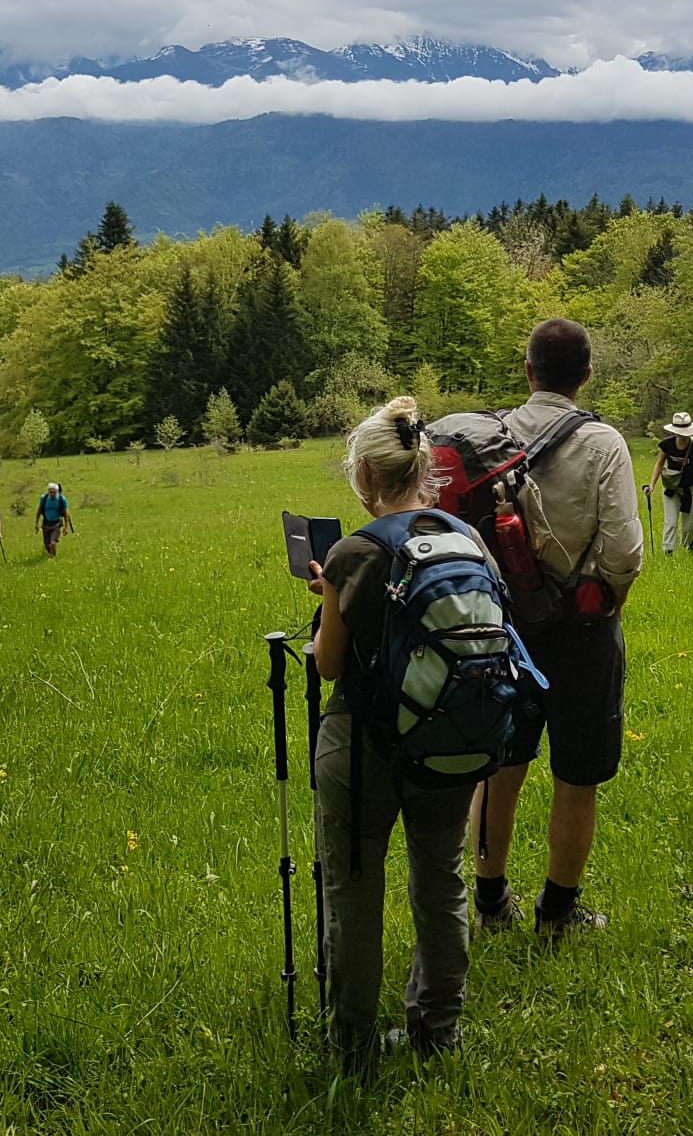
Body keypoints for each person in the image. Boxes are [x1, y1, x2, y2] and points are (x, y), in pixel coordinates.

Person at [307, 397, 483, 1072]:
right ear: (424, 473)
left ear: (365, 478)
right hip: (451, 739)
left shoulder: (355, 551)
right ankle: (439, 1030)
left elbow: (328, 664)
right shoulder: (466, 540)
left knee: (354, 890)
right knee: (441, 884)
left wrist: (329, 599)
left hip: (365, 747)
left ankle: (351, 1044)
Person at [470, 318, 645, 937]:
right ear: (587, 375)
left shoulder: (489, 436)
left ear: (528, 371)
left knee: (501, 764)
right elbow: (624, 552)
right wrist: (609, 602)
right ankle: (557, 913)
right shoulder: (604, 443)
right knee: (578, 773)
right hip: (583, 632)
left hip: (499, 629)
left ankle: (489, 905)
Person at [645, 413, 693, 553]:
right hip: (672, 487)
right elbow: (659, 465)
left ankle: (689, 546)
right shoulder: (666, 445)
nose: (682, 436)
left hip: (692, 488)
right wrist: (651, 485)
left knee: (689, 524)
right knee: (671, 522)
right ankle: (668, 551)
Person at [36, 482, 72, 555]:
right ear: (48, 491)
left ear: (57, 492)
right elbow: (39, 511)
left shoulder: (61, 499)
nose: (52, 494)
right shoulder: (44, 498)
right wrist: (36, 523)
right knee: (47, 545)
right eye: (51, 492)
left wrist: (66, 527)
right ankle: (50, 554)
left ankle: (52, 558)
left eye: (54, 492)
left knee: (53, 543)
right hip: (46, 524)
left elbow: (66, 514)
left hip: (57, 524)